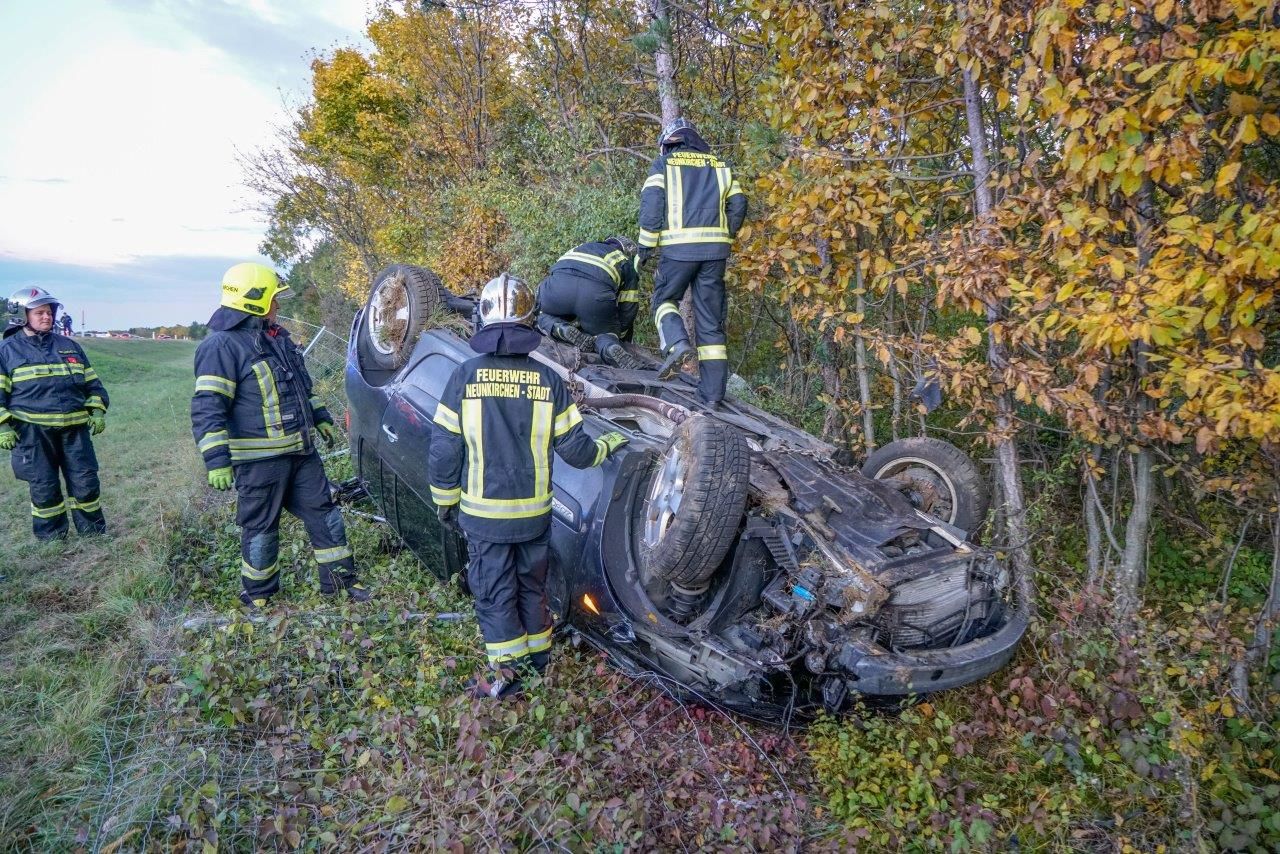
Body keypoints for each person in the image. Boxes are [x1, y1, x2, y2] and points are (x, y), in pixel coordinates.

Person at [429, 273, 630, 699]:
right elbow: (577, 451)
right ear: (530, 322)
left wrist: (445, 502)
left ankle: (506, 680)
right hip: (535, 517)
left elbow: (444, 450)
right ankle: (538, 666)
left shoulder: (465, 378)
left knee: (495, 593)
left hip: (485, 519)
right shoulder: (548, 382)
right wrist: (610, 443)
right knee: (531, 587)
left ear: (483, 321)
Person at [190, 262, 369, 612]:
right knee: (261, 527)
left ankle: (341, 584)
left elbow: (302, 386)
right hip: (258, 462)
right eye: (274, 299)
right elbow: (208, 405)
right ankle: (258, 595)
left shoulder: (277, 338)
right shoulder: (221, 347)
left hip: (301, 453)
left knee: (325, 513)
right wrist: (216, 459)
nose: (279, 306)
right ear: (254, 300)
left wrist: (319, 417)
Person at [637, 117, 748, 408]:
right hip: (715, 254)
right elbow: (739, 204)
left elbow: (652, 205)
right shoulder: (720, 165)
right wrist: (727, 234)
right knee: (711, 323)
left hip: (677, 251)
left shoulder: (664, 165)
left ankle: (677, 344)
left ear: (668, 144)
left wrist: (645, 248)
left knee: (663, 300)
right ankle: (712, 397)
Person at [0, 287, 109, 540]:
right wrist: (4, 426)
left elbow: (93, 385)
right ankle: (52, 539)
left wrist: (97, 410)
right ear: (20, 315)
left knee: (85, 481)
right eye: (39, 313)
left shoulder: (70, 346)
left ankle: (93, 533)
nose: (47, 317)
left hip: (76, 431)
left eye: (49, 312)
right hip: (32, 434)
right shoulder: (7, 351)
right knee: (44, 487)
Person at [535, 237, 645, 369]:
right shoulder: (624, 261)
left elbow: (556, 271)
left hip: (557, 288)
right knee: (605, 334)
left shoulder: (581, 247)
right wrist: (618, 335)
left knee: (540, 315)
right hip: (593, 295)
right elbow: (628, 308)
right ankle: (610, 346)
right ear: (626, 251)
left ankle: (558, 327)